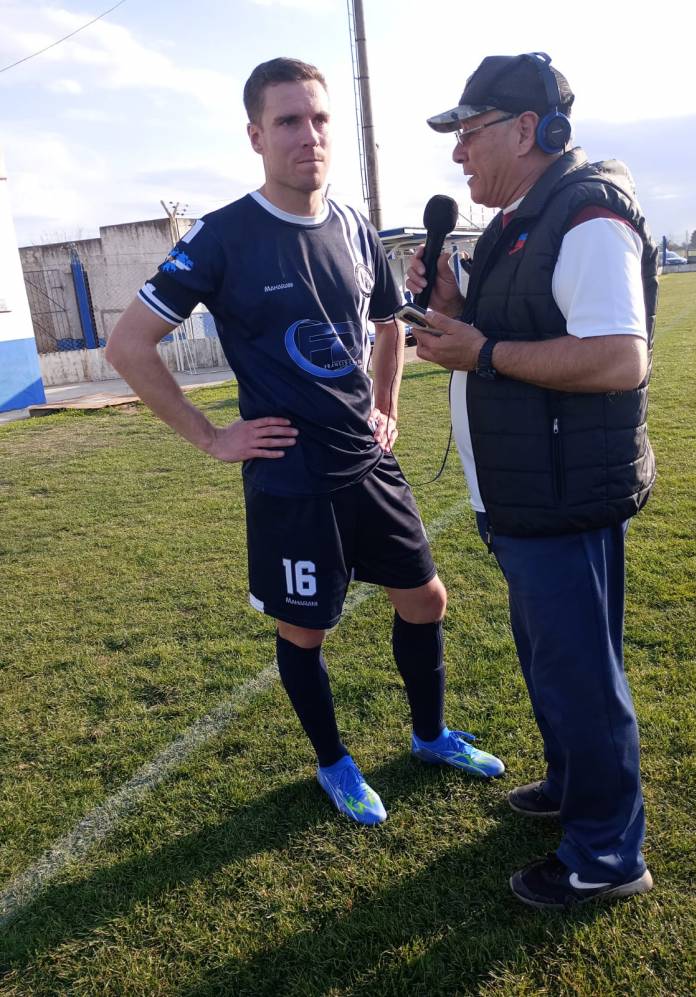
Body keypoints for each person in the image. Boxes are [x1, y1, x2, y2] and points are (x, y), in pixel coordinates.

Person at [105, 57, 503, 828]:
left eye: (319, 119)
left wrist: (385, 401)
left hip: (369, 461)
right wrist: (213, 436)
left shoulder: (353, 224)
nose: (308, 135)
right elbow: (129, 345)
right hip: (291, 476)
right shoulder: (221, 237)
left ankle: (428, 736)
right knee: (306, 627)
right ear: (256, 135)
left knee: (426, 599)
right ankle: (335, 762)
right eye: (288, 121)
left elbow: (390, 322)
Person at [406, 52, 657, 907]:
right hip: (530, 492)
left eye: (468, 134)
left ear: (527, 129)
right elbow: (516, 327)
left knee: (582, 675)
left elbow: (619, 358)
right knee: (558, 666)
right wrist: (457, 304)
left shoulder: (584, 215)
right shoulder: (523, 219)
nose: (457, 155)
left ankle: (606, 853)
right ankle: (569, 784)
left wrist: (482, 350)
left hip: (562, 497)